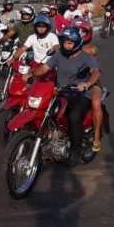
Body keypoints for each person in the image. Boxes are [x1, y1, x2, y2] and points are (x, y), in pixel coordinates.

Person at [32, 27, 100, 166]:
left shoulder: (86, 57)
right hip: (61, 92)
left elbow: (95, 72)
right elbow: (44, 68)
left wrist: (87, 84)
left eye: (69, 43)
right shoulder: (59, 55)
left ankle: (76, 151)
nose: (66, 45)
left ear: (77, 43)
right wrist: (31, 74)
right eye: (64, 42)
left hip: (80, 94)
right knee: (46, 111)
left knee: (74, 116)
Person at [72, 19, 105, 152]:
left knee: (96, 103)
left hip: (91, 83)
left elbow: (94, 69)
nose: (80, 33)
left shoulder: (91, 49)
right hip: (70, 83)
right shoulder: (66, 47)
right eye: (77, 31)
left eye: (83, 31)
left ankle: (96, 138)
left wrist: (88, 81)